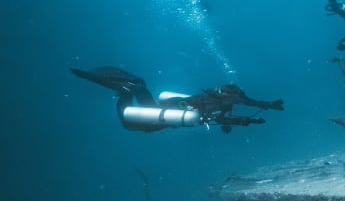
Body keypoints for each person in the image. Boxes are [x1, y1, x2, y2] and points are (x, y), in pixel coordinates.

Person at [70, 65, 283, 133]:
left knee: (132, 121)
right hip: (162, 114)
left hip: (164, 118)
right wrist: (260, 111)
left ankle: (127, 90)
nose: (237, 101)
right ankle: (129, 88)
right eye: (235, 98)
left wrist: (264, 109)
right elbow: (227, 116)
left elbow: (235, 111)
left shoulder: (220, 103)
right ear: (227, 95)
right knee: (130, 117)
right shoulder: (212, 102)